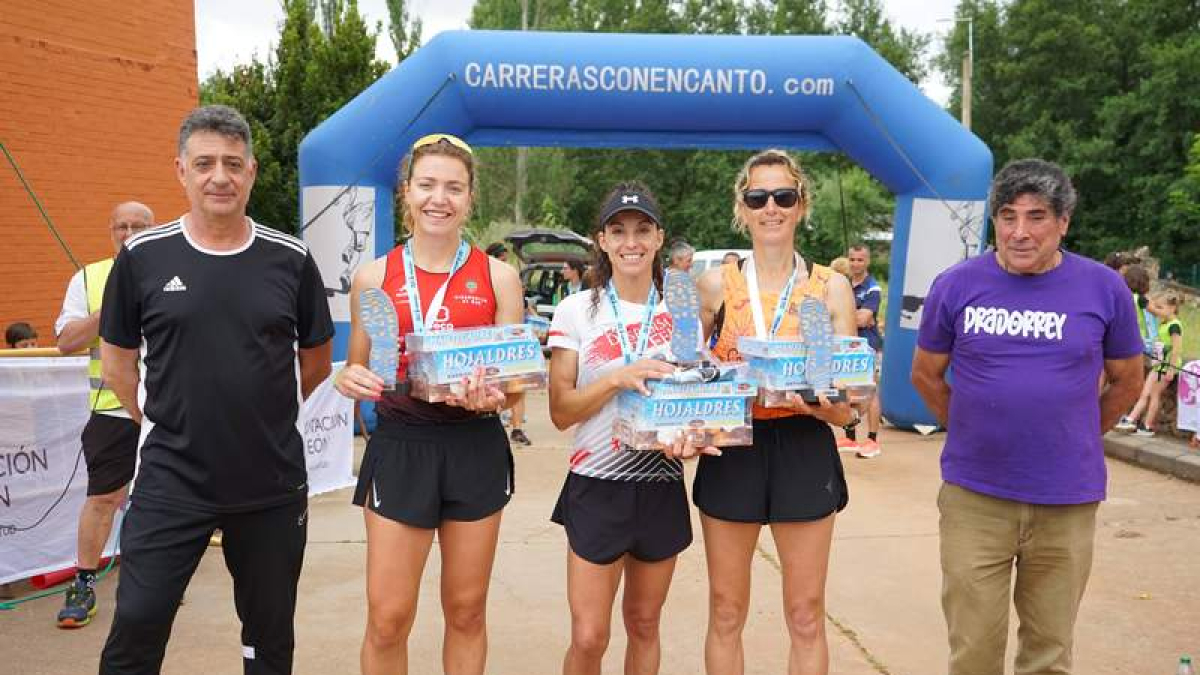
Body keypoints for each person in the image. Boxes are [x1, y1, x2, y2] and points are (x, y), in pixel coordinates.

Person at [97, 105, 334, 674]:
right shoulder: (142, 257)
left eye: (232, 163)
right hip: (171, 479)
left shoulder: (291, 258)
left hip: (270, 481)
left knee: (269, 636)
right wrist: (168, 420)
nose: (219, 176)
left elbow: (316, 361)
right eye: (204, 164)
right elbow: (117, 365)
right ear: (181, 170)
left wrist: (259, 414)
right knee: (138, 622)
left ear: (252, 171)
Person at [910, 158, 1143, 675]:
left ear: (1063, 222)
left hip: (1067, 498)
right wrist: (969, 429)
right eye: (1007, 216)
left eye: (1036, 216)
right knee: (973, 650)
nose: (1020, 232)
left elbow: (1128, 380)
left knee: (1050, 652)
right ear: (994, 221)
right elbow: (925, 375)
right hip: (976, 498)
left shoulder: (1104, 289)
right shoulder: (956, 285)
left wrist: (1077, 435)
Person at [334, 133, 525, 675]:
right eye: (427, 185)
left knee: (466, 612)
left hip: (473, 444)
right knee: (388, 618)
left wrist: (498, 395)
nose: (439, 199)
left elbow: (514, 383)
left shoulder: (499, 277)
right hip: (402, 447)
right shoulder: (375, 277)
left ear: (469, 198)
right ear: (406, 192)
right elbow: (358, 368)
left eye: (453, 188)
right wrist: (349, 379)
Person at [695, 149, 858, 675]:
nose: (771, 207)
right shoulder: (715, 285)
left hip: (803, 447)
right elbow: (685, 375)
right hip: (733, 447)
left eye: (784, 196)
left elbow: (848, 408)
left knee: (806, 614)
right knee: (726, 610)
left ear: (801, 205)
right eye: (758, 197)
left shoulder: (829, 287)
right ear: (741, 208)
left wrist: (812, 404)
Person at [547, 182, 709, 675]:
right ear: (602, 240)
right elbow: (560, 410)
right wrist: (618, 377)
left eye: (642, 230)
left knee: (644, 623)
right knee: (589, 636)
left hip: (660, 483)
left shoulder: (681, 315)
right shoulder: (577, 309)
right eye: (618, 231)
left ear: (659, 238)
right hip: (597, 482)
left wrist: (694, 438)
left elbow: (695, 408)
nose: (631, 242)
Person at [51, 201, 153, 629]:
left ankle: (153, 580)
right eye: (121, 227)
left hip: (168, 409)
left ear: (153, 229)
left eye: (138, 227)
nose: (129, 234)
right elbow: (67, 341)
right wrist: (110, 304)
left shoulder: (173, 269)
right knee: (103, 499)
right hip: (112, 410)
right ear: (110, 231)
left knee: (161, 500)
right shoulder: (88, 278)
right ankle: (84, 583)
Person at [485, 241, 532, 446]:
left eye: (506, 259)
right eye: (501, 259)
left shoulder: (507, 277)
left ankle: (517, 428)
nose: (504, 263)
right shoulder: (484, 276)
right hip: (487, 352)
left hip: (511, 342)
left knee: (516, 384)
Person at [1122, 290, 1184, 436]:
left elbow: (1176, 349)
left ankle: (1143, 424)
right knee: (1146, 393)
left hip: (1166, 367)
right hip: (1158, 365)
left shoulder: (1174, 326)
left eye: (1160, 308)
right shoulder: (1164, 323)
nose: (1156, 311)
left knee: (1153, 394)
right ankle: (1134, 421)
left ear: (1172, 308)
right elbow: (1150, 309)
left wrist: (1171, 369)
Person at [844, 243, 885, 459]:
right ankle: (850, 437)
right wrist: (856, 314)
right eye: (852, 259)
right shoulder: (844, 285)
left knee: (870, 391)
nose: (855, 263)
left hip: (868, 345)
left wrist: (846, 315)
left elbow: (864, 319)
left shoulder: (873, 288)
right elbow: (832, 313)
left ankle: (872, 440)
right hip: (848, 346)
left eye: (860, 259)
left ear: (867, 261)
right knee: (848, 390)